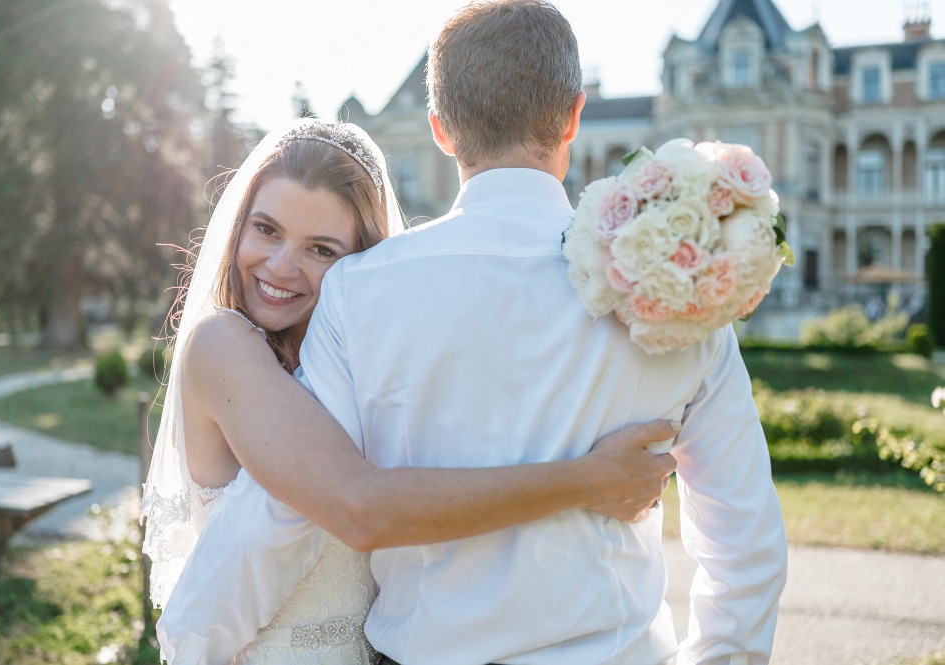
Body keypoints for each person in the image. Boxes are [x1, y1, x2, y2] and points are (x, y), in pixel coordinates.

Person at [159, 1, 788, 661]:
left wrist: (192, 638)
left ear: (440, 129)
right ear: (575, 113)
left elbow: (284, 511)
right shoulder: (676, 287)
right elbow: (744, 537)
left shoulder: (359, 290)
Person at [144, 117, 680, 664]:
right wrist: (586, 481)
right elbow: (358, 506)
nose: (282, 266)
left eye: (321, 250)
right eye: (266, 230)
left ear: (362, 265)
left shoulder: (362, 365)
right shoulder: (223, 344)